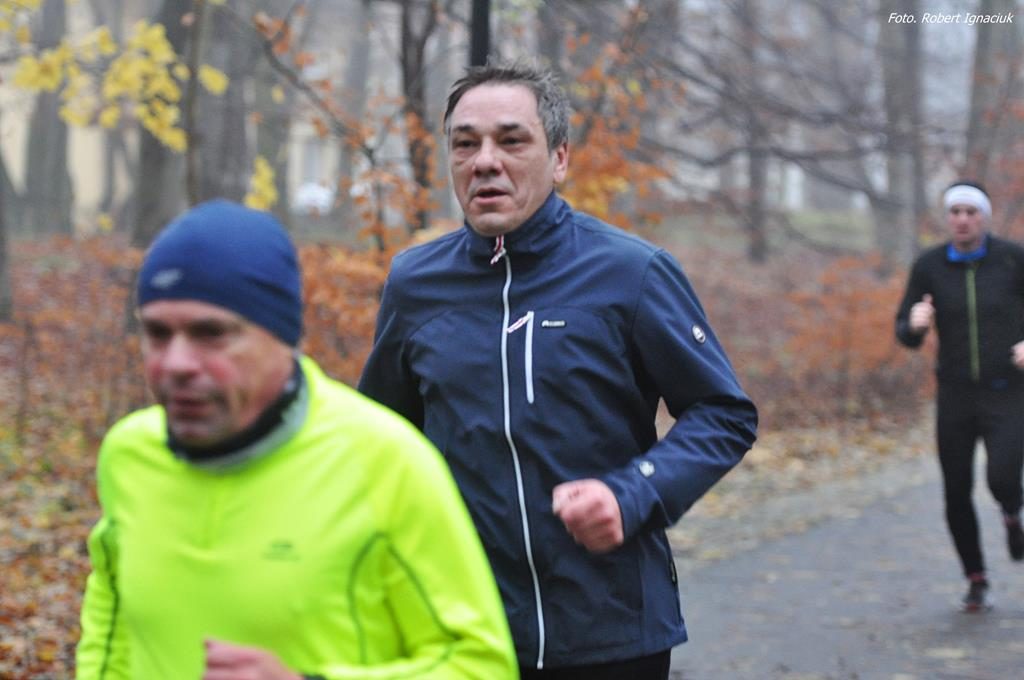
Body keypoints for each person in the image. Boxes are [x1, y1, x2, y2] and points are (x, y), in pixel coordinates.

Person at [358, 60, 758, 679]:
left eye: (511, 140)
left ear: (560, 158)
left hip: (612, 630)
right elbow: (381, 441)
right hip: (464, 631)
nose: (484, 162)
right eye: (465, 144)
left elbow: (723, 414)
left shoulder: (630, 272)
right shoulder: (415, 284)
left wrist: (632, 493)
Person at [75, 199, 518, 679]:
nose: (177, 363)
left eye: (211, 333)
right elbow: (112, 636)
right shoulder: (129, 454)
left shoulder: (385, 462)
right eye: (158, 334)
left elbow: (482, 665)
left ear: (282, 338)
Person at [895, 180, 1024, 612]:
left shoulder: (1012, 259)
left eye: (971, 212)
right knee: (956, 490)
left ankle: (1012, 512)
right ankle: (976, 577)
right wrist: (914, 325)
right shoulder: (929, 266)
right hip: (955, 395)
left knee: (1002, 478)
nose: (963, 219)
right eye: (955, 212)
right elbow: (905, 330)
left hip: (1008, 391)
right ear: (947, 218)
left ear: (984, 216)